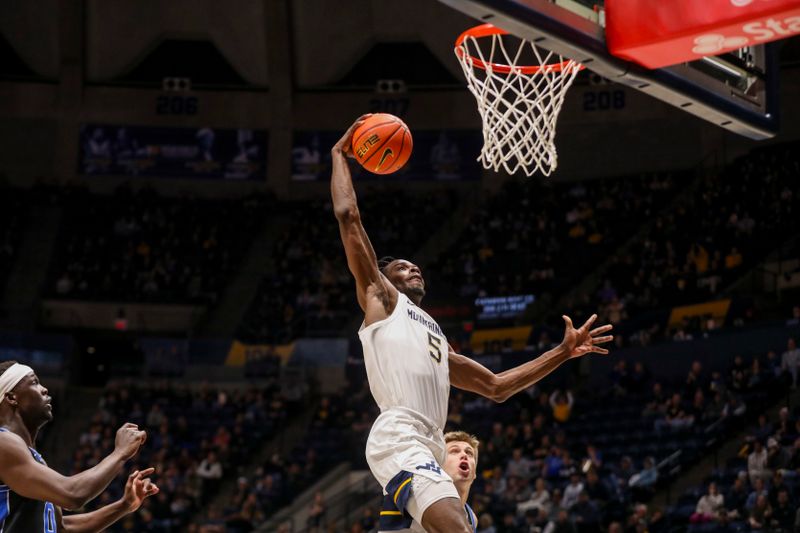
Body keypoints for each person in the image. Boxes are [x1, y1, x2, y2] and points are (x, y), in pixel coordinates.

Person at [331, 115, 614, 533]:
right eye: (402, 267)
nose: (414, 268)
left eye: (415, 265)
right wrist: (340, 155)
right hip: (401, 434)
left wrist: (562, 352)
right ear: (384, 281)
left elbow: (496, 387)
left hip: (429, 441)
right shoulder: (382, 300)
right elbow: (348, 216)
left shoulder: (433, 333)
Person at [0, 361, 159, 531]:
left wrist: (124, 505)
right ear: (11, 397)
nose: (44, 389)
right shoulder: (3, 442)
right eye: (34, 382)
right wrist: (119, 453)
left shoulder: (29, 456)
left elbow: (61, 527)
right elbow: (72, 494)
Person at [380, 431, 481, 532]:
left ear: (474, 473)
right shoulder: (413, 489)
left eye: (469, 453)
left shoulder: (472, 518)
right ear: (436, 465)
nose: (464, 455)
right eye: (454, 451)